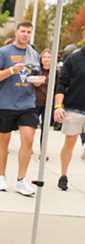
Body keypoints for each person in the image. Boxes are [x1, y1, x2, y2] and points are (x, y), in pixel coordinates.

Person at [0, 20, 42, 196]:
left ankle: (21, 180)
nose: (25, 34)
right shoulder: (4, 52)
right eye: (23, 31)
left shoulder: (33, 54)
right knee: (3, 142)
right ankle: (1, 176)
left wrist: (39, 80)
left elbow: (34, 76)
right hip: (6, 103)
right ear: (16, 32)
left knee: (28, 140)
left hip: (27, 103)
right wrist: (11, 70)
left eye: (28, 32)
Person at [53, 43, 85, 191]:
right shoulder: (73, 59)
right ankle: (63, 175)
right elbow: (62, 84)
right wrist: (58, 106)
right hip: (74, 108)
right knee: (70, 143)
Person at [35, 49, 52, 151]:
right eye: (44, 57)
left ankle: (43, 150)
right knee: (31, 127)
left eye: (49, 57)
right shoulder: (37, 71)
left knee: (45, 129)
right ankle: (28, 147)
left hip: (48, 104)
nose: (46, 59)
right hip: (36, 102)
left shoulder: (56, 72)